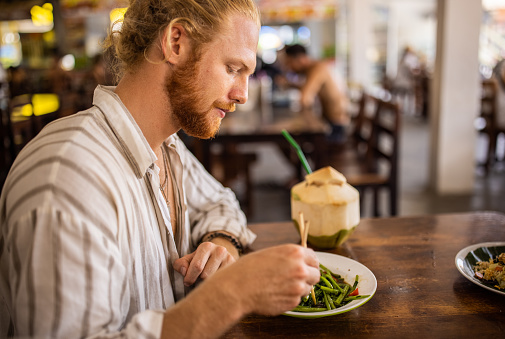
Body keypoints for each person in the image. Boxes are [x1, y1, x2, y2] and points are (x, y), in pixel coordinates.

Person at [0, 1, 320, 338]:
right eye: (231, 68)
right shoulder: (68, 180)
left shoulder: (165, 145)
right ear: (176, 43)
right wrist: (231, 293)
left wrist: (221, 244)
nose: (241, 94)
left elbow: (220, 202)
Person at [280, 44, 350, 145]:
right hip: (329, 123)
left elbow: (305, 99)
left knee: (293, 140)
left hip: (335, 128)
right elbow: (307, 88)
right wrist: (290, 84)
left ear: (300, 59)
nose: (289, 68)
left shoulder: (317, 68)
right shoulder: (315, 67)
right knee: (294, 139)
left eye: (290, 63)